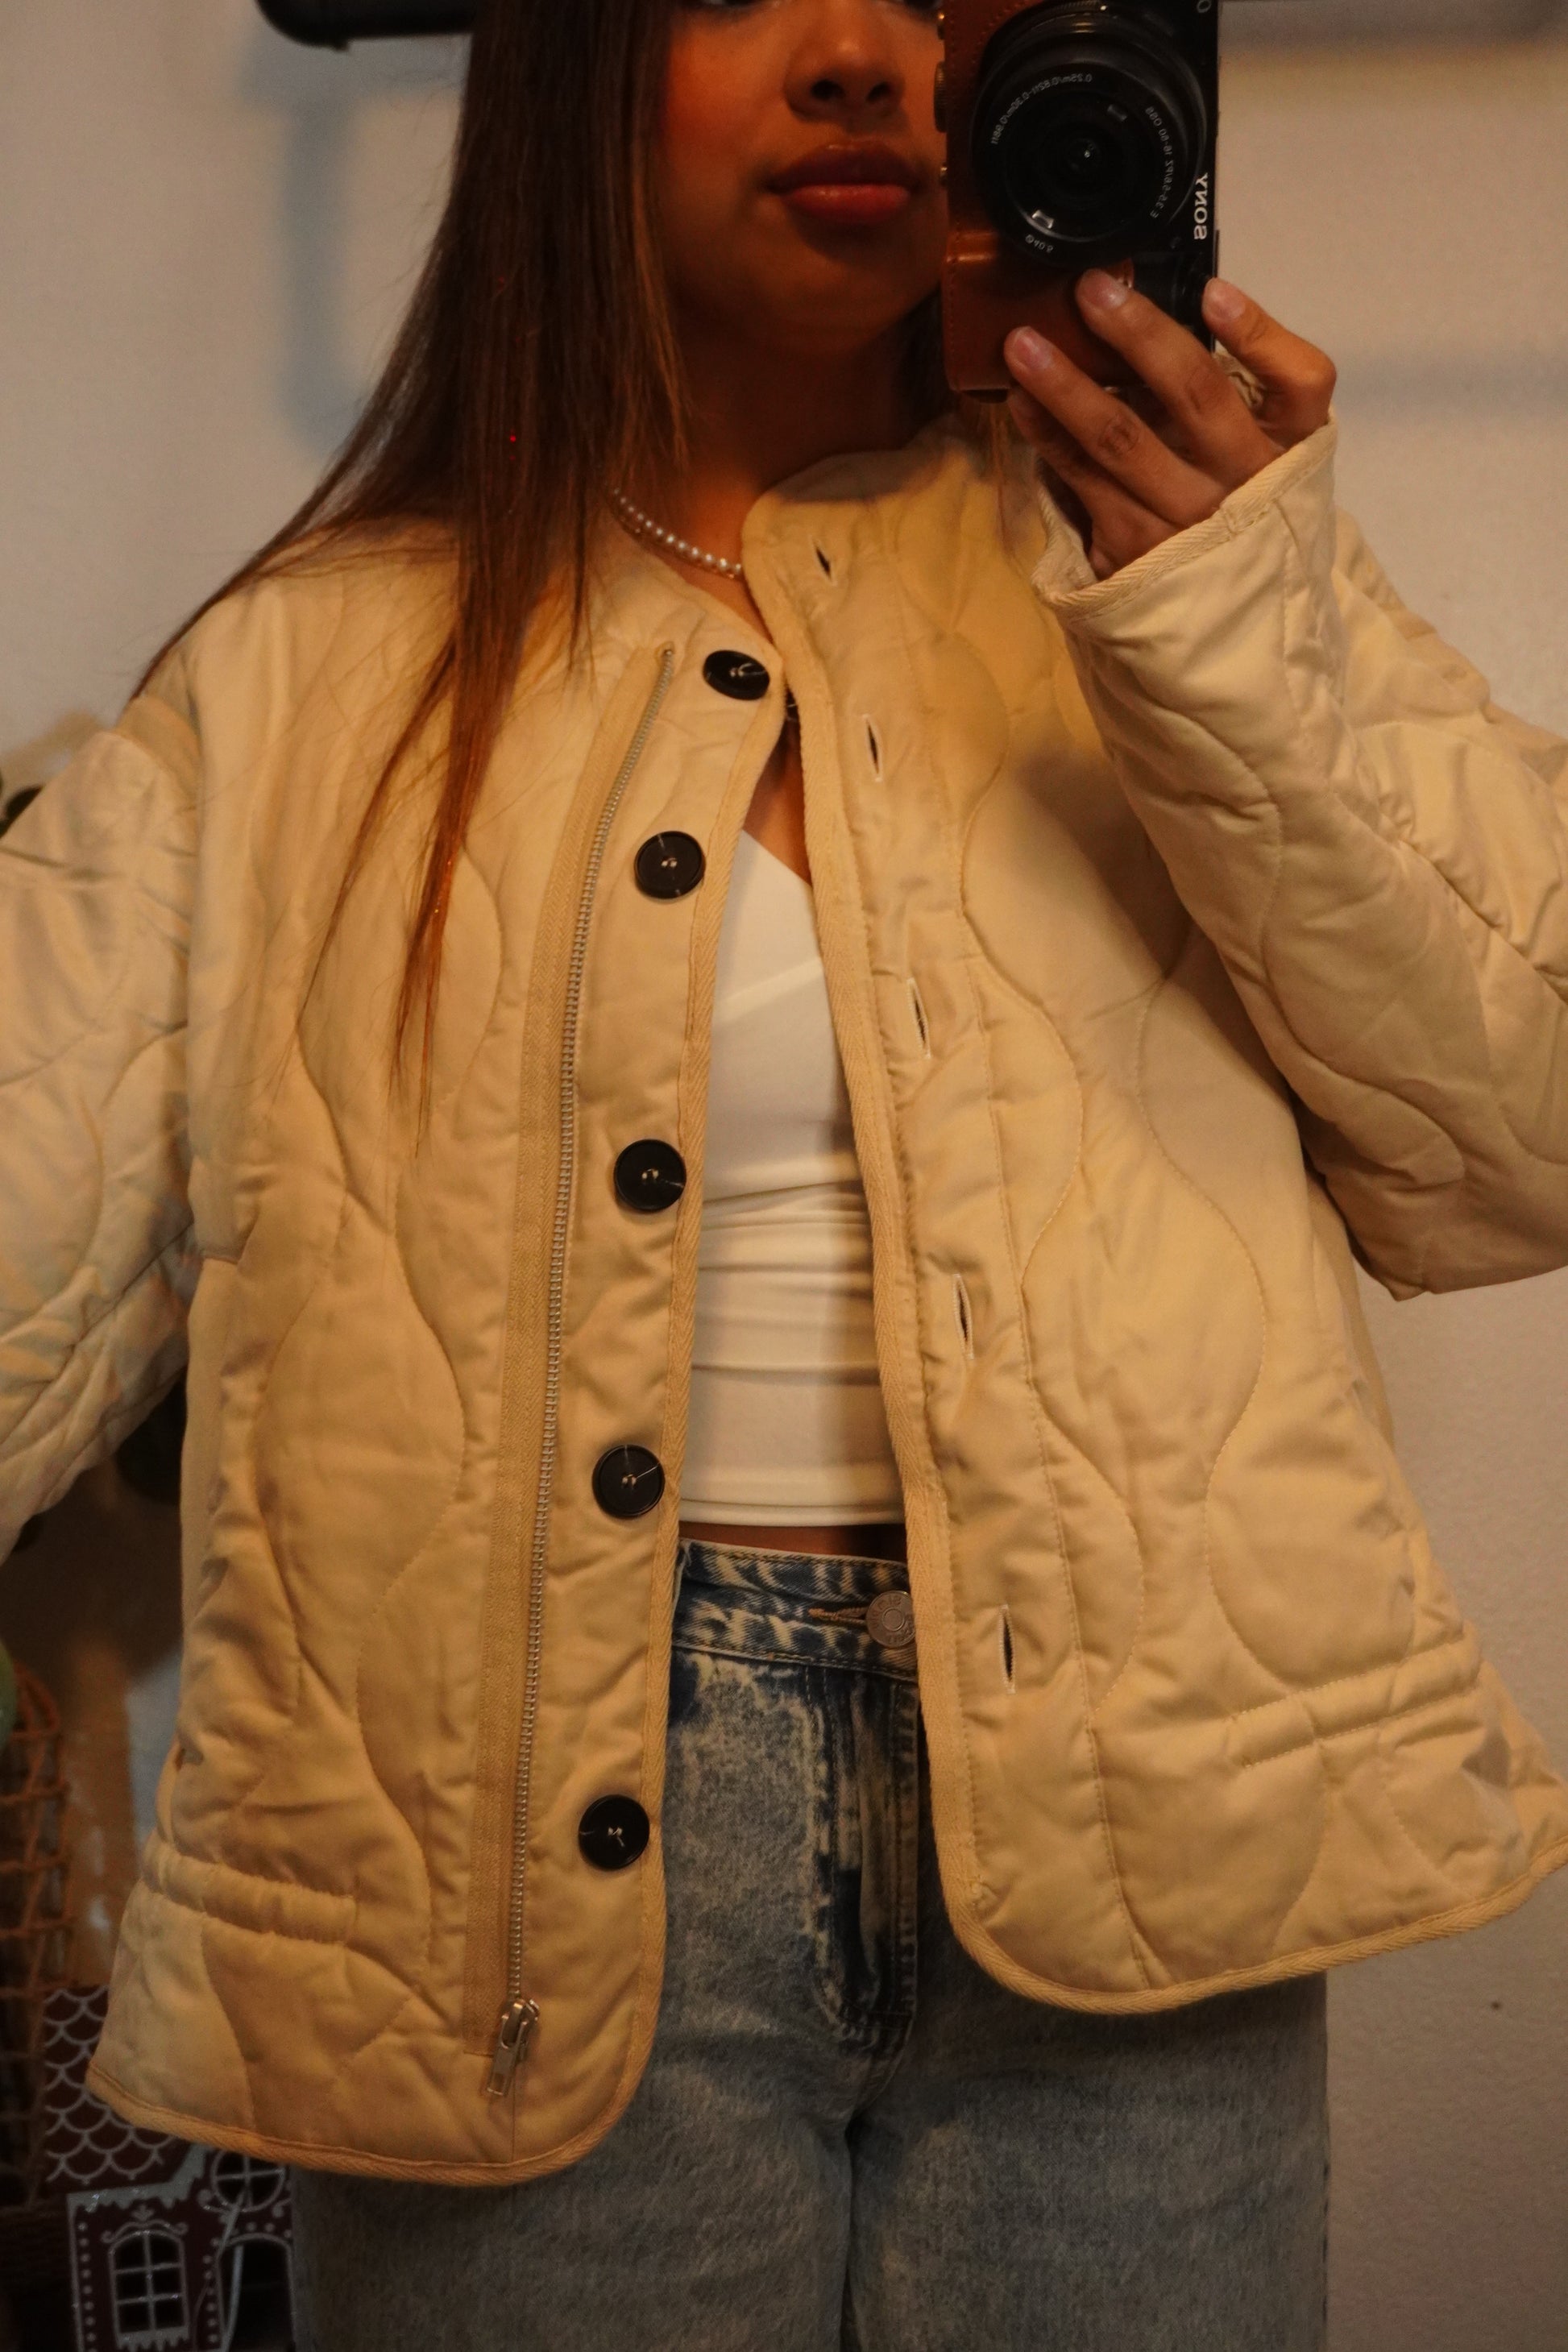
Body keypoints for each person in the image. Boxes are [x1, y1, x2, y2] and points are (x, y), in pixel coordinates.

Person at [3, 2, 1566, 2346]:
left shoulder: (1174, 585)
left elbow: (1520, 1141)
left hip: (1143, 1812)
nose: (859, 57)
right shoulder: (304, 677)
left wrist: (1238, 617)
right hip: (488, 1875)